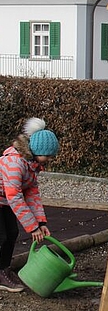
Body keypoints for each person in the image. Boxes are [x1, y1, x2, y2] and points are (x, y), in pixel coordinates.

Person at [0, 118, 58, 292]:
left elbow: (32, 193)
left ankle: (4, 269)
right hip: (6, 199)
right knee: (1, 237)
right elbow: (15, 197)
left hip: (3, 201)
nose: (48, 159)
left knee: (12, 233)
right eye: (47, 155)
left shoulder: (31, 165)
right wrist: (32, 228)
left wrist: (40, 222)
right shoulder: (14, 163)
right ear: (37, 150)